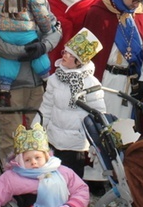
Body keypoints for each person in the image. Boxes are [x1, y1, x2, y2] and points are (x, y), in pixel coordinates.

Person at [83, 0, 143, 125]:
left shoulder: (138, 14)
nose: (137, 4)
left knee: (125, 126)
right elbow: (85, 53)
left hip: (129, 83)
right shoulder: (99, 12)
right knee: (103, 123)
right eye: (134, 0)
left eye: (140, 1)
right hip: (105, 80)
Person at [38, 28, 106, 177]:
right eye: (65, 52)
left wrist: (97, 142)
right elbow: (47, 107)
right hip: (54, 139)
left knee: (71, 180)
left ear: (79, 61)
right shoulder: (55, 78)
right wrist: (37, 129)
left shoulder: (91, 83)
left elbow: (98, 114)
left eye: (71, 54)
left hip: (76, 144)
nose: (65, 56)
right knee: (52, 180)